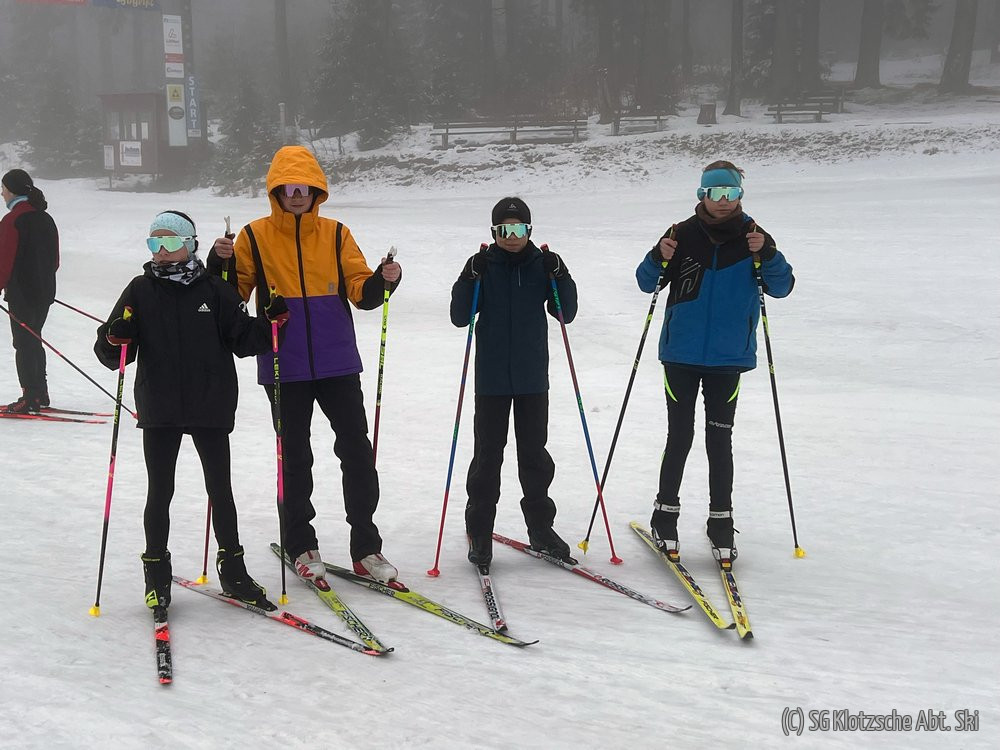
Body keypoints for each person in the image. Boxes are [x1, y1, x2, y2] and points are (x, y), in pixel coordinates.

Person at [207, 145, 402, 585]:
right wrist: (219, 263)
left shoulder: (335, 233)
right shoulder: (254, 236)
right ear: (276, 191)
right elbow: (231, 297)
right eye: (288, 188)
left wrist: (382, 280)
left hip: (338, 362)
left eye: (305, 188)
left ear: (317, 190)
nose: (297, 195)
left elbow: (360, 290)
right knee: (294, 457)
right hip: (283, 363)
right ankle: (301, 544)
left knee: (356, 452)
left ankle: (366, 547)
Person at [94, 211, 288, 611]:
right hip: (160, 404)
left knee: (220, 489)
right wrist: (115, 339)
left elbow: (244, 340)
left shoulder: (215, 290)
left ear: (190, 244)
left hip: (209, 401)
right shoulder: (140, 290)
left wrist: (272, 322)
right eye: (154, 243)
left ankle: (233, 571)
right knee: (159, 491)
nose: (161, 252)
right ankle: (156, 575)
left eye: (169, 243)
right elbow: (110, 351)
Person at [636, 161, 794, 566]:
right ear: (702, 195)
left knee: (719, 440)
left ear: (740, 195)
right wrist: (656, 256)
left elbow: (782, 287)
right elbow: (647, 282)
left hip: (728, 358)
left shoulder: (754, 236)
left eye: (731, 193)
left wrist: (769, 254)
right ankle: (664, 518)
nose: (724, 201)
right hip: (681, 355)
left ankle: (721, 523)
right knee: (679, 436)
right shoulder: (681, 234)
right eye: (716, 193)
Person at [450, 197, 578, 570]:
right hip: (491, 379)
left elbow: (565, 313)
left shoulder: (542, 265)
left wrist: (561, 275)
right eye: (504, 229)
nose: (511, 236)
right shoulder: (483, 265)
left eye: (518, 228)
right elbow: (459, 316)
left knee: (534, 456)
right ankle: (479, 530)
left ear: (529, 230)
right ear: (494, 232)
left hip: (532, 377)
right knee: (487, 457)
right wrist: (467, 277)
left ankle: (540, 529)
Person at [0, 169, 59, 413]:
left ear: (12, 191)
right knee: (34, 339)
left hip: (21, 295)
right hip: (44, 293)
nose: (2, 194)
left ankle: (30, 396)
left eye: (3, 189)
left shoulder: (12, 220)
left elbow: (4, 261)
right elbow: (55, 261)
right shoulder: (45, 218)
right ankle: (40, 392)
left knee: (24, 343)